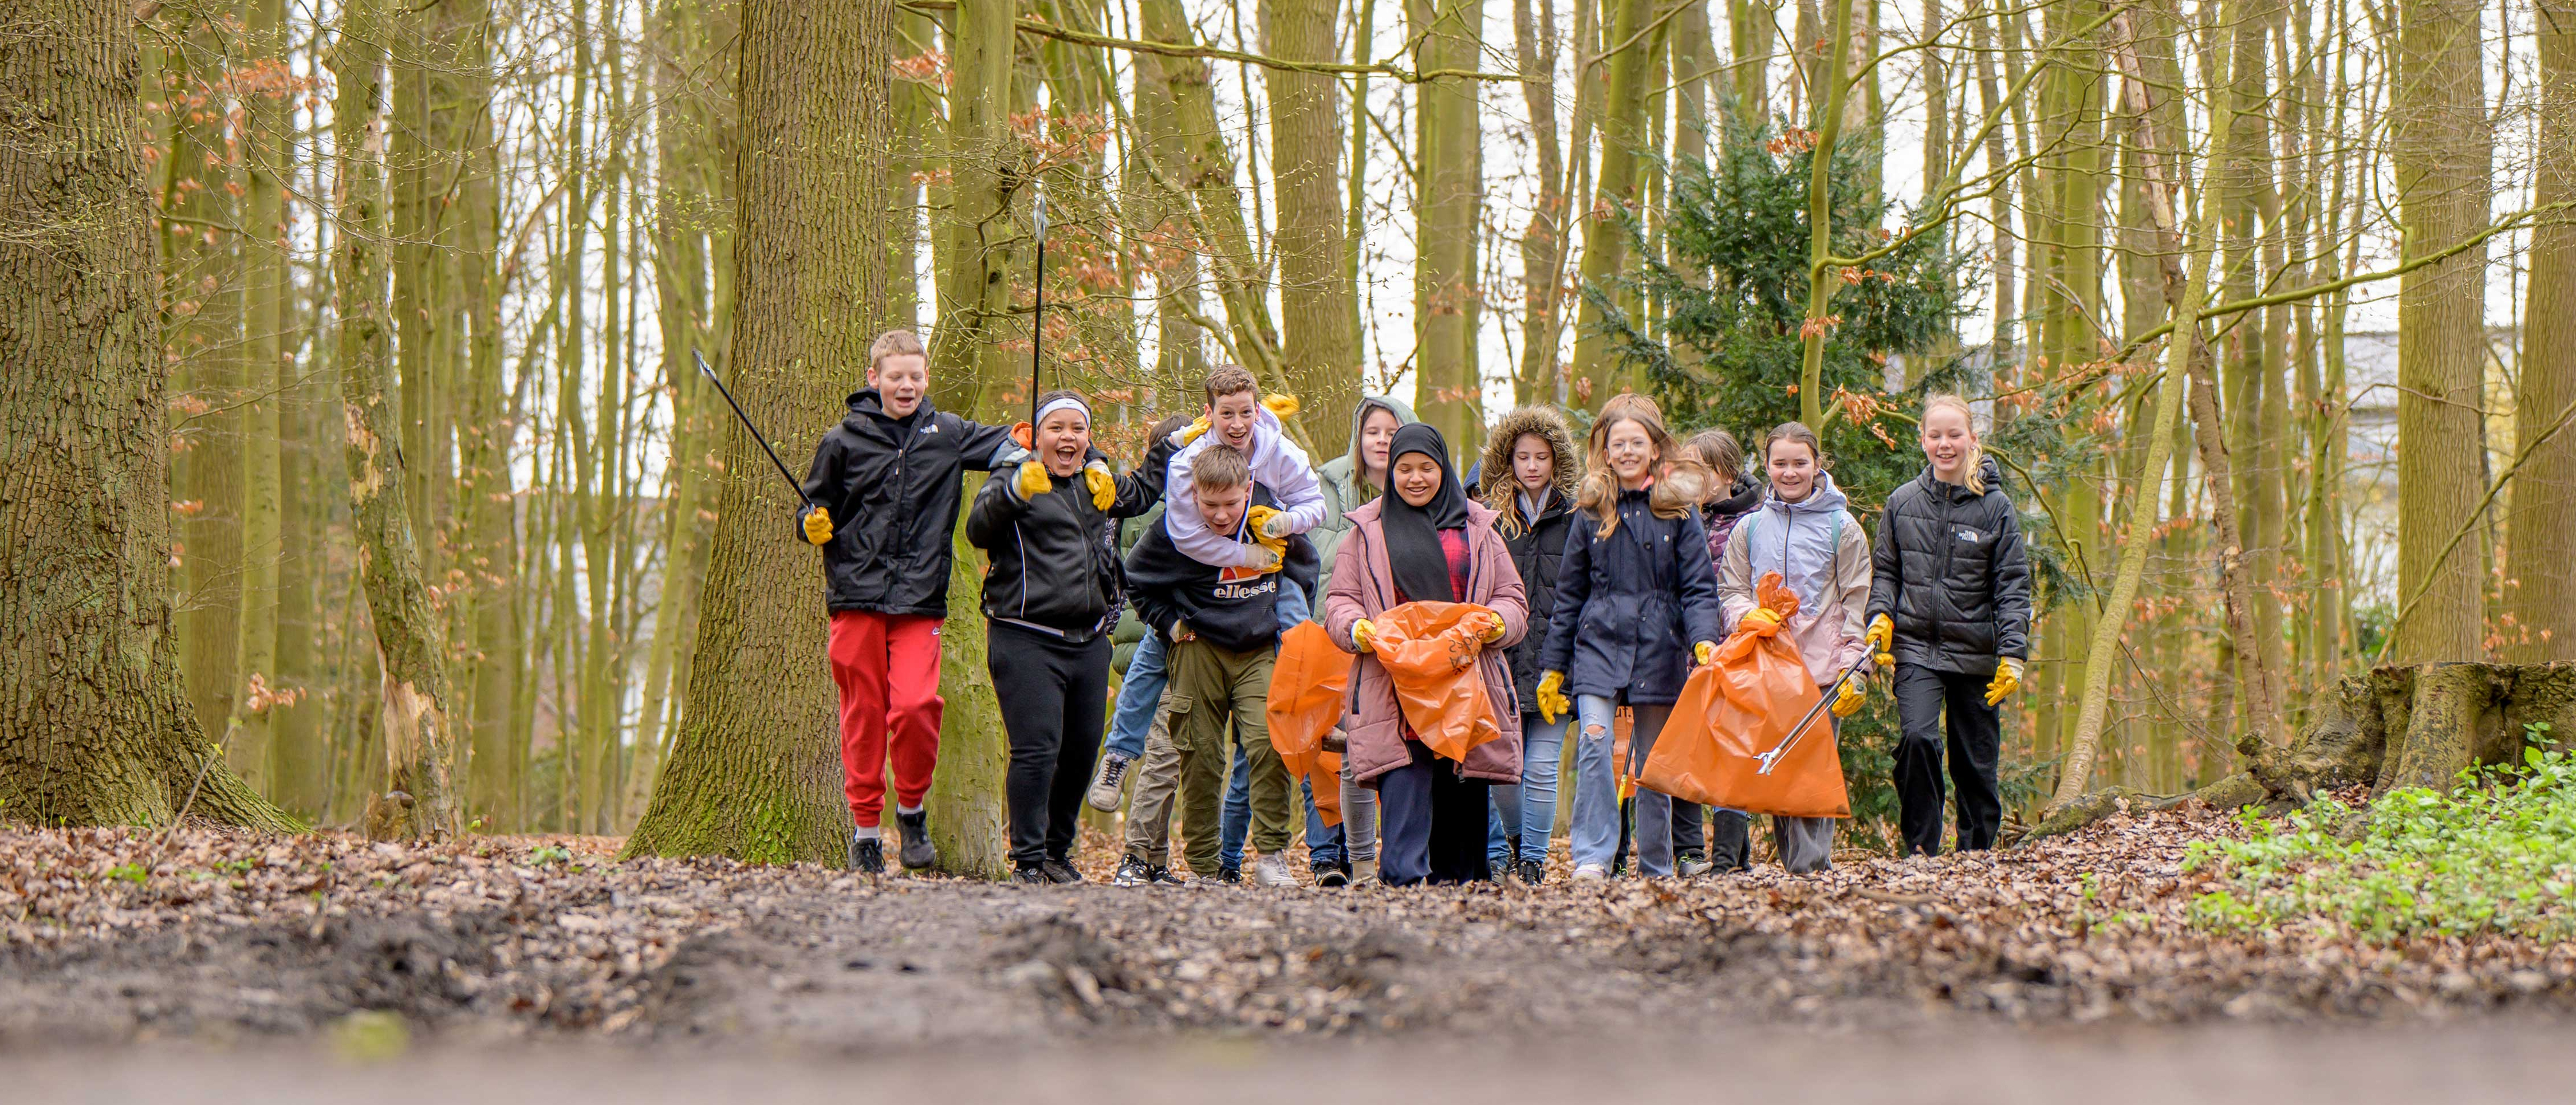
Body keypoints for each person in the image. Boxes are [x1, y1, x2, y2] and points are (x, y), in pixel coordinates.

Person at [797, 329, 1029, 875]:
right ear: (873, 378)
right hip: (855, 596)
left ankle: (912, 809)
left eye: (916, 376)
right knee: (863, 714)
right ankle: (865, 833)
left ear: (926, 378)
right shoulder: (842, 440)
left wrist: (1026, 461)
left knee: (916, 707)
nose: (907, 386)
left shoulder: (945, 433)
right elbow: (815, 505)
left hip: (920, 600)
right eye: (895, 376)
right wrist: (812, 524)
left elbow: (1011, 444)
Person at [966, 391, 1174, 884]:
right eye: (1056, 428)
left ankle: (1058, 852)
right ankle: (1030, 859)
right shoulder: (1014, 475)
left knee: (1081, 751)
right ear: (1037, 436)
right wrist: (1016, 490)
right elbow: (978, 527)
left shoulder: (1096, 481)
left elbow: (1142, 492)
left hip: (1089, 637)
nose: (1068, 438)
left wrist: (1170, 446)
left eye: (1077, 429)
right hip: (1024, 633)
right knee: (1038, 748)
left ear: (1088, 438)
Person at [1322, 424, 1527, 886]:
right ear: (1390, 471)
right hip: (1395, 682)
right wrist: (1358, 628)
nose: (1416, 478)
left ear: (1444, 469)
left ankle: (1459, 897)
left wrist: (1495, 623)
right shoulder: (1367, 529)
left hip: (1464, 681)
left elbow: (1512, 598)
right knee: (1405, 788)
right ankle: (1404, 891)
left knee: (1461, 792)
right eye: (1405, 468)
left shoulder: (1479, 526)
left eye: (1427, 468)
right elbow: (1340, 599)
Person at [1535, 396, 1723, 882]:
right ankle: (1593, 856)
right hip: (1599, 646)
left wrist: (1703, 641)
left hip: (1660, 649)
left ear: (1655, 449)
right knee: (1595, 746)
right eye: (1618, 443)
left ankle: (1657, 863)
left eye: (1636, 442)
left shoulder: (1678, 510)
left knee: (1654, 763)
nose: (1627, 451)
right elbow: (1569, 593)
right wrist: (1555, 667)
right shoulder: (1591, 508)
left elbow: (1700, 587)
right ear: (1606, 450)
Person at [1118, 446, 1319, 887]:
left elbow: (1305, 567)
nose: (1223, 515)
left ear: (1248, 489)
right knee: (1200, 754)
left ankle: (1271, 855)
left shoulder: (1270, 516)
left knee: (1270, 741)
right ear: (1193, 495)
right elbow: (1134, 579)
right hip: (1198, 646)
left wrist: (1284, 622)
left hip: (1258, 647)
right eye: (1211, 505)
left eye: (1232, 503)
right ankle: (1206, 867)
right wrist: (1169, 624)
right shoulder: (1175, 528)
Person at [1866, 395, 2031, 856]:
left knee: (1975, 761)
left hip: (1978, 652)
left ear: (1972, 439)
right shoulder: (1902, 502)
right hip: (1916, 648)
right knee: (1918, 737)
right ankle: (1921, 851)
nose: (1945, 444)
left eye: (1954, 434)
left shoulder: (1996, 508)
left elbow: (2013, 586)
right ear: (1922, 440)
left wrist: (2013, 654)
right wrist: (1879, 617)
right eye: (1935, 435)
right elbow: (1886, 572)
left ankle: (1976, 852)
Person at [1717, 422, 1872, 875]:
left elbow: (1855, 599)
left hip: (1823, 669)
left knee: (1809, 773)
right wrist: (1748, 615)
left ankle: (1811, 868)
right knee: (1778, 772)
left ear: (1817, 464)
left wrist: (1855, 666)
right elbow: (1731, 590)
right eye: (1780, 463)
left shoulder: (1843, 528)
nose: (1790, 472)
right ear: (1766, 466)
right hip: (1766, 667)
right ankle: (1797, 869)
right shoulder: (1748, 529)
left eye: (1800, 463)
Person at [1304, 394, 1417, 885]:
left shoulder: (1422, 490)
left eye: (1392, 430)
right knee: (1331, 750)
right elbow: (1315, 554)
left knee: (1388, 749)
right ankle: (1330, 857)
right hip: (1332, 628)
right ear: (1358, 436)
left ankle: (1396, 855)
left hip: (1398, 641)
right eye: (1373, 430)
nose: (1381, 439)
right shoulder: (1328, 486)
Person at [1477, 406, 1577, 884]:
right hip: (1500, 664)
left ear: (1557, 461)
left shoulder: (1578, 515)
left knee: (1540, 767)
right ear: (1509, 460)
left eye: (1542, 456)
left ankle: (1533, 860)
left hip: (1556, 662)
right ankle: (1515, 843)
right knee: (1503, 772)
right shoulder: (1490, 518)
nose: (1533, 466)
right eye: (1523, 457)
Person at [1675, 428, 1762, 875]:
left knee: (1734, 750)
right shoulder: (1678, 515)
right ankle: (1691, 852)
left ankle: (1727, 859)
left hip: (1737, 648)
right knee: (1689, 751)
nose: (1689, 478)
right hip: (1683, 649)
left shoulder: (1756, 518)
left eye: (1699, 469)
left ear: (1726, 472)